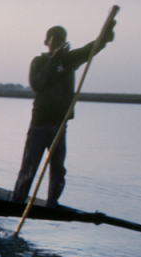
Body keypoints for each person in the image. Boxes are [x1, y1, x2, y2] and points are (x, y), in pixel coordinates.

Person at [11, 20, 116, 207]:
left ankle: (52, 202)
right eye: (54, 41)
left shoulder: (70, 60)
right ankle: (18, 201)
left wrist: (107, 33)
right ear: (46, 42)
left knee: (58, 168)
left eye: (62, 41)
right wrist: (53, 60)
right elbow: (37, 84)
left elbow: (91, 48)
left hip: (59, 123)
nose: (58, 44)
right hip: (40, 123)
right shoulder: (39, 61)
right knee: (30, 166)